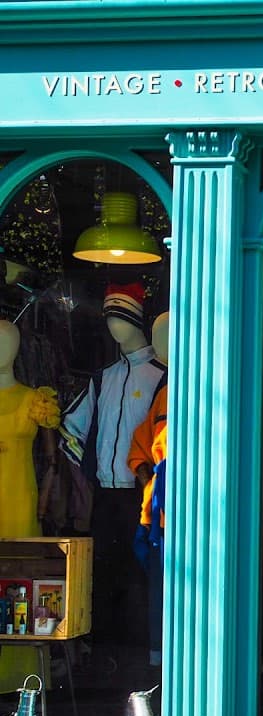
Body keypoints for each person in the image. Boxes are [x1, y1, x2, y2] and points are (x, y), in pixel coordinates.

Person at [58, 284, 165, 671]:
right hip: (105, 492)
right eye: (109, 318)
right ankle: (104, 653)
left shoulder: (161, 376)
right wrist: (85, 474)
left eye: (121, 317)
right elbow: (74, 426)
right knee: (103, 573)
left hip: (141, 493)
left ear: (138, 320)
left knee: (139, 574)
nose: (115, 326)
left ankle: (140, 654)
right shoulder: (103, 378)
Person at [0, 318, 61, 691]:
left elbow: (53, 461)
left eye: (7, 342)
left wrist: (45, 505)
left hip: (21, 496)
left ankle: (21, 677)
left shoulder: (34, 398)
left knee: (20, 584)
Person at [128, 312, 168, 669]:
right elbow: (140, 447)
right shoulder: (164, 397)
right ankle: (160, 663)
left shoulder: (210, 391)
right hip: (161, 518)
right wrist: (150, 481)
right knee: (160, 590)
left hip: (196, 515)